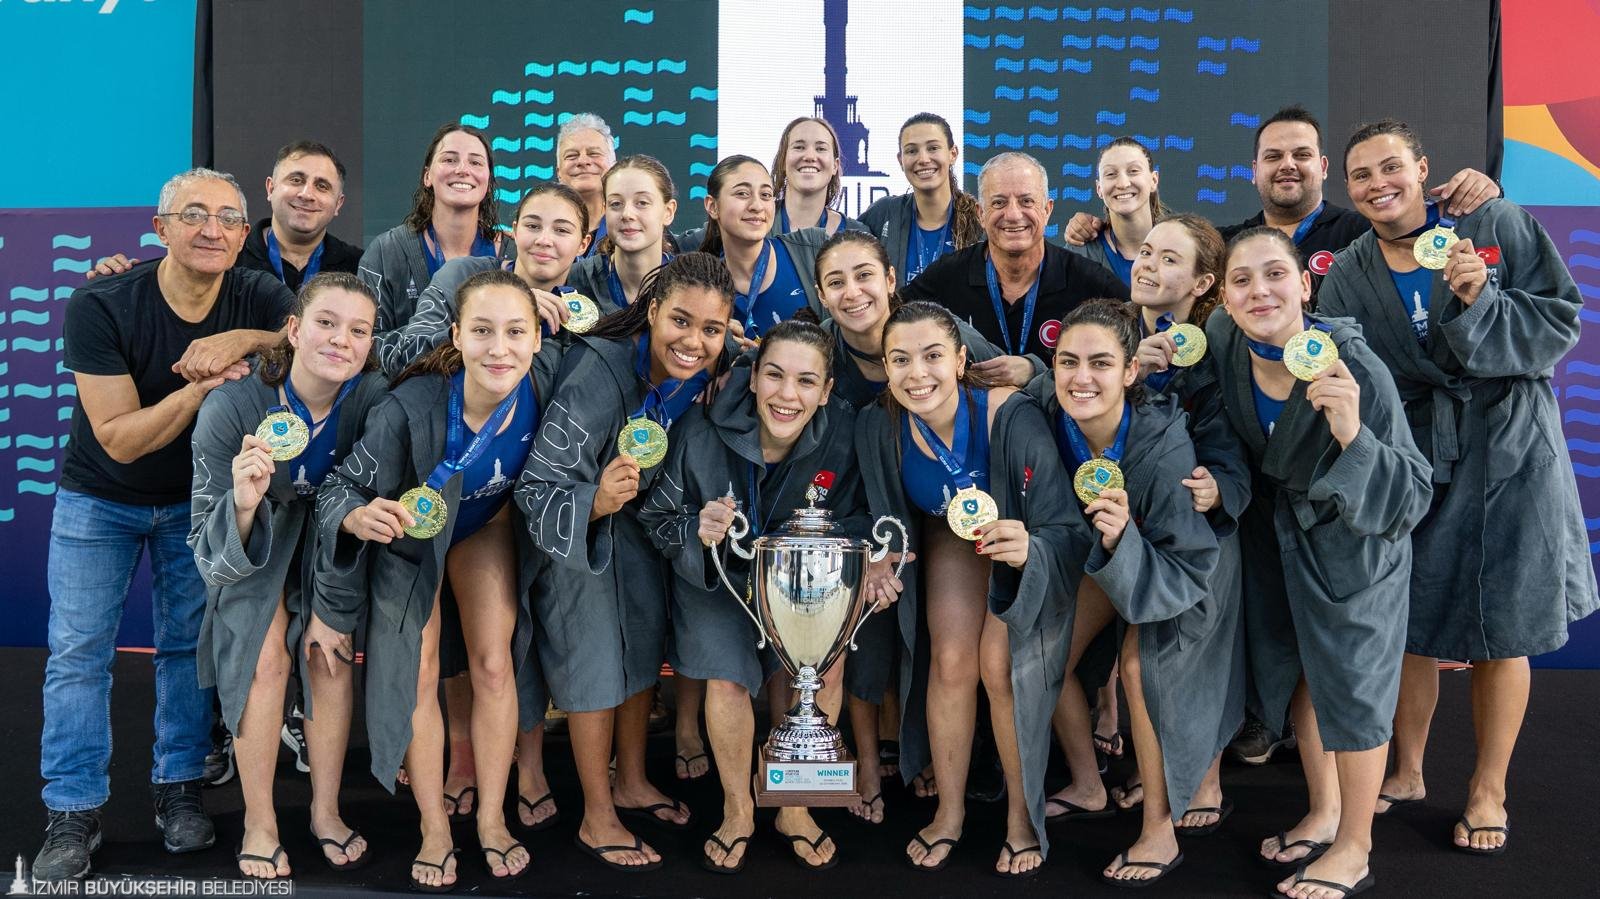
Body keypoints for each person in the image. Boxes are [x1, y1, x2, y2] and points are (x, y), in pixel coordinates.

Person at [1319, 119, 1597, 854]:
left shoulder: (1494, 222)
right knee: (1407, 618)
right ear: (1348, 189)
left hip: (1510, 446)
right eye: (1361, 175)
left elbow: (1561, 319)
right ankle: (1407, 770)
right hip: (1417, 452)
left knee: (1504, 622)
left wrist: (1482, 302)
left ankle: (1487, 788)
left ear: (1423, 168)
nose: (1378, 184)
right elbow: (1351, 367)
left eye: (1391, 167)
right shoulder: (1347, 269)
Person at [34, 168, 293, 882]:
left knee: (185, 649)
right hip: (101, 497)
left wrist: (241, 338)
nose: (212, 229)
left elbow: (309, 334)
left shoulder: (256, 293)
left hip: (195, 501)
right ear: (161, 228)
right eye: (194, 215)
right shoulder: (101, 302)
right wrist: (200, 389)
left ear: (243, 235)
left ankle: (179, 789)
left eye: (228, 219)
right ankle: (72, 810)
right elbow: (119, 439)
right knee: (79, 653)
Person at [314, 270, 557, 891]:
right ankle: (433, 826)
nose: (498, 349)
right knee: (419, 669)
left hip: (482, 526)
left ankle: (494, 818)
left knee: (494, 664)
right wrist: (357, 515)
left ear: (538, 339)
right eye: (482, 331)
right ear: (456, 335)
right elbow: (339, 487)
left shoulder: (546, 380)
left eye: (515, 332)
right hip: (411, 540)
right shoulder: (409, 408)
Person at [1208, 227, 1433, 899]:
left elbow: (1412, 493)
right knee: (1306, 673)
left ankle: (1355, 846)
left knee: (1355, 688)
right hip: (1280, 539)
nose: (1260, 291)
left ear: (1306, 285)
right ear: (1224, 299)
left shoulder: (1356, 368)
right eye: (1242, 280)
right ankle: (1326, 810)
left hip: (1358, 544)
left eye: (1275, 274)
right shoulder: (1223, 341)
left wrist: (1353, 434)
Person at [515, 253, 734, 871]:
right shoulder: (600, 368)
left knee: (641, 643)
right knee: (594, 661)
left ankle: (631, 780)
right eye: (681, 322)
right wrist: (595, 502)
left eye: (712, 330)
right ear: (653, 310)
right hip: (575, 534)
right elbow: (537, 487)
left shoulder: (708, 370)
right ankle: (596, 815)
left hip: (636, 528)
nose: (694, 342)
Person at [855, 301, 1084, 877]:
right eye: (900, 359)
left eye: (932, 356)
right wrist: (877, 552)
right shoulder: (880, 424)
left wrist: (1030, 546)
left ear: (960, 359)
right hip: (952, 537)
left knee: (997, 667)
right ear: (885, 367)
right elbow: (873, 512)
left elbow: (1064, 522)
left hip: (1023, 542)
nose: (917, 373)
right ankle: (950, 813)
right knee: (951, 661)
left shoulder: (1009, 414)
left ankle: (1021, 817)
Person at [1024, 299, 1240, 887]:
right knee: (1044, 653)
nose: (1081, 378)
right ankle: (1087, 784)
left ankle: (1159, 829)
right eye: (1068, 362)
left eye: (1100, 363)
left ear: (1130, 371)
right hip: (1113, 554)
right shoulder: (1048, 406)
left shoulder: (1165, 449)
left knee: (1142, 666)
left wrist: (1125, 541)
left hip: (1186, 564)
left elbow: (1187, 559)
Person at [640, 318, 869, 870]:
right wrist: (697, 526)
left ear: (826, 390)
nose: (787, 395)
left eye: (806, 381)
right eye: (774, 375)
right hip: (717, 577)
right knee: (726, 677)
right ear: (753, 377)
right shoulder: (699, 429)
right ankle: (738, 806)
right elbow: (656, 517)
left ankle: (794, 806)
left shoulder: (843, 432)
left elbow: (862, 517)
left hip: (800, 582)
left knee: (823, 666)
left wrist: (857, 558)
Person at [188, 273, 386, 879]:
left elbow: (363, 508)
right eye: (326, 323)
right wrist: (245, 504)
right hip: (260, 539)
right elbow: (205, 548)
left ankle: (325, 811)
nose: (341, 340)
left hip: (333, 539)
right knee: (263, 657)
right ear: (294, 330)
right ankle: (259, 821)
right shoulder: (232, 406)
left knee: (330, 652)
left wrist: (330, 606)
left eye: (358, 330)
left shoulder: (374, 400)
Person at [1090, 214, 1249, 838]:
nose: (1148, 265)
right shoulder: (1120, 331)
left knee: (1160, 661)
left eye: (1169, 259)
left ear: (1203, 282)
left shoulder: (1220, 347)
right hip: (1129, 528)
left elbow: (1234, 445)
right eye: (1147, 252)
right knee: (1128, 663)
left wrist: (1220, 486)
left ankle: (1203, 777)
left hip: (1199, 536)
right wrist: (1134, 372)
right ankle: (1157, 770)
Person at [899, 151, 1129, 385]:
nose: (1013, 214)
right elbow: (892, 322)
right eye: (999, 203)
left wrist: (1037, 371)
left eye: (1026, 201)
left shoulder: (1089, 281)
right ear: (981, 213)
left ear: (1047, 210)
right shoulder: (947, 276)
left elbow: (1131, 349)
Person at [380, 182, 588, 373]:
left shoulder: (589, 302)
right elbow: (405, 357)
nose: (544, 240)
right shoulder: (460, 276)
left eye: (561, 230)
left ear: (583, 244)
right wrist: (507, 309)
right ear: (515, 231)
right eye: (533, 226)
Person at [358, 123, 502, 342]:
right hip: (411, 367)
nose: (462, 170)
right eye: (449, 160)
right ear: (428, 176)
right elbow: (366, 340)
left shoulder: (513, 255)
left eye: (475, 162)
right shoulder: (386, 253)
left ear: (489, 182)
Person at [698, 155, 830, 341]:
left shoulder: (813, 250)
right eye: (742, 193)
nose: (757, 206)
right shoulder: (700, 282)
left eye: (766, 195)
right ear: (712, 206)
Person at [859, 113, 983, 285]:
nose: (923, 159)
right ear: (900, 160)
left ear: (953, 154)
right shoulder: (884, 214)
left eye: (933, 148)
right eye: (912, 151)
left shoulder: (980, 220)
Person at [566, 155, 678, 313]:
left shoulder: (690, 283)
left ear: (668, 211)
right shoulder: (575, 280)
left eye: (642, 203)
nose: (627, 214)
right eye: (616, 204)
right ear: (605, 210)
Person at [1064, 138, 1164, 287]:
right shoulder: (1080, 255)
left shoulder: (1183, 247)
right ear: (1099, 189)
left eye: (1133, 171)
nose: (1123, 184)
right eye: (1111, 174)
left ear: (1154, 180)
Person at [770, 116, 867, 237]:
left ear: (835, 166)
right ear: (783, 160)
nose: (810, 156)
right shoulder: (756, 221)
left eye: (821, 149)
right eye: (799, 147)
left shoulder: (858, 236)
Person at [556, 113, 619, 258]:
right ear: (559, 172)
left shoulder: (631, 228)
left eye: (594, 153)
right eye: (572, 156)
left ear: (613, 167)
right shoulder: (542, 233)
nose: (583, 161)